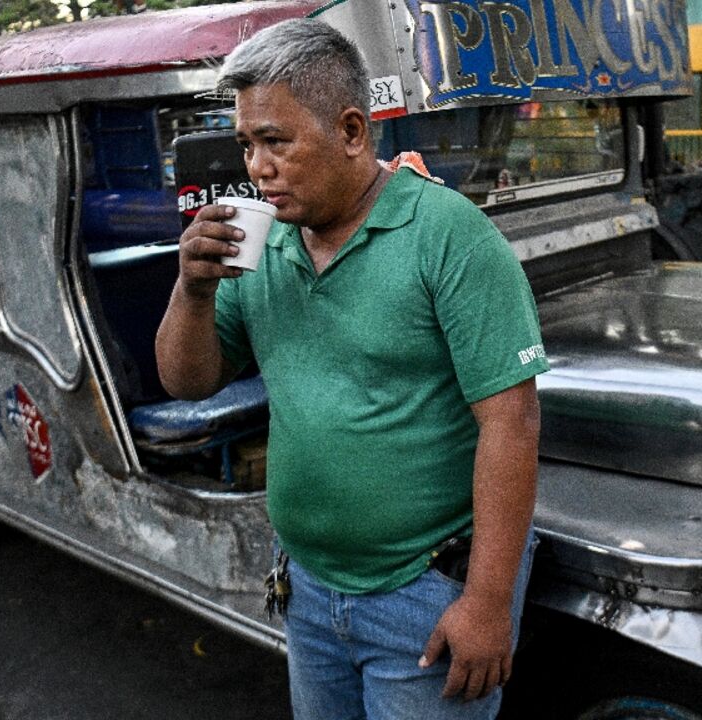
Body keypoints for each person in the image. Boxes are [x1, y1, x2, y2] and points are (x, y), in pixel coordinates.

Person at [154, 18, 548, 720]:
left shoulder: (447, 235)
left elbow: (511, 420)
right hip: (308, 590)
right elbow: (187, 381)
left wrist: (487, 604)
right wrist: (192, 287)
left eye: (276, 141)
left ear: (353, 131)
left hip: (424, 594)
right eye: (246, 144)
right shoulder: (260, 243)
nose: (256, 167)